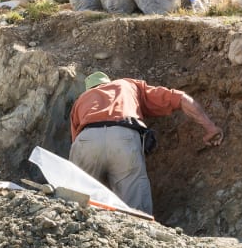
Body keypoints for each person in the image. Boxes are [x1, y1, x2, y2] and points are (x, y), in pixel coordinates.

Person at [69, 72, 223, 215]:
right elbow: (180, 98)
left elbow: (77, 141)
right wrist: (210, 127)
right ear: (109, 82)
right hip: (123, 136)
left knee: (78, 200)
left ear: (89, 89)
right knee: (136, 210)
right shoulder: (127, 85)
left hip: (86, 138)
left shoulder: (80, 101)